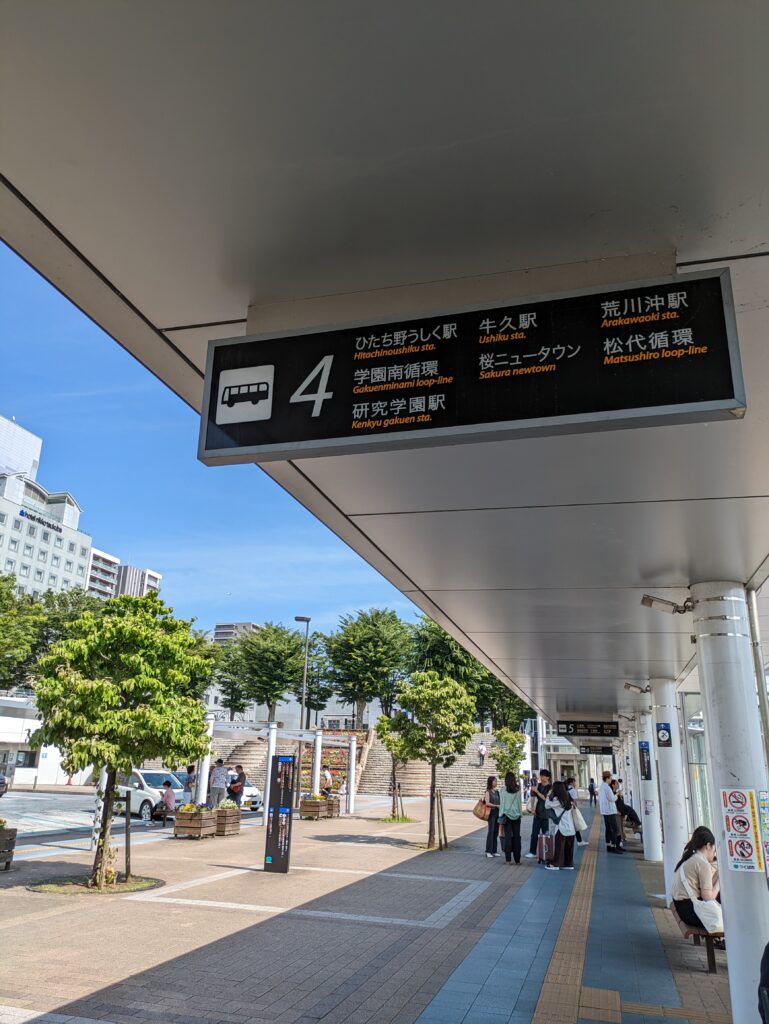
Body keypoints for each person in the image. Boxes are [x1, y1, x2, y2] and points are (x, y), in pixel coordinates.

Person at [672, 826, 723, 939]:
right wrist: (720, 881)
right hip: (690, 911)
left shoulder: (691, 857)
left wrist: (715, 877)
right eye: (714, 850)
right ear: (708, 846)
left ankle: (719, 940)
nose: (714, 854)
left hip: (681, 906)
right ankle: (721, 940)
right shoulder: (702, 863)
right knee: (728, 917)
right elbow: (708, 898)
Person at [544, 780, 576, 870]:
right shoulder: (567, 800)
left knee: (559, 847)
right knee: (568, 847)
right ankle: (568, 864)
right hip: (571, 828)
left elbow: (546, 805)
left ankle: (555, 864)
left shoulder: (557, 801)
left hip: (562, 827)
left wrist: (548, 795)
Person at [524, 769, 552, 860]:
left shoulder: (550, 788)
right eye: (541, 775)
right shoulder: (537, 785)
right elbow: (532, 797)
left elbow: (545, 798)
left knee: (546, 834)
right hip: (537, 813)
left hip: (546, 814)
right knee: (534, 833)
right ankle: (532, 852)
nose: (541, 777)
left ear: (548, 777)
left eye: (543, 776)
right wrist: (532, 808)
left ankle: (546, 853)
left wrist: (537, 791)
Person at [498, 771, 522, 864]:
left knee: (507, 837)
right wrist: (520, 813)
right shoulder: (518, 790)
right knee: (517, 837)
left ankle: (508, 860)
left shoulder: (503, 790)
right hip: (517, 815)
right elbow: (519, 803)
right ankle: (518, 860)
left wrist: (501, 815)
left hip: (506, 816)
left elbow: (502, 804)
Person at [598, 770, 624, 853]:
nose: (611, 779)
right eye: (610, 777)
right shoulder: (607, 787)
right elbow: (612, 799)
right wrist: (617, 794)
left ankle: (608, 846)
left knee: (608, 829)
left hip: (605, 811)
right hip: (609, 811)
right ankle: (613, 846)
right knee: (615, 830)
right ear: (608, 778)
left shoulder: (602, 787)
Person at [566, 777, 588, 847]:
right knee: (575, 825)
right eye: (575, 782)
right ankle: (579, 841)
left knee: (572, 825)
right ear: (571, 782)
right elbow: (575, 801)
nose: (575, 784)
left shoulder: (566, 789)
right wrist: (576, 808)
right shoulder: (572, 790)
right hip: (572, 809)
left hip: (566, 809)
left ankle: (579, 840)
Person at [483, 774, 501, 857]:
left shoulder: (497, 792)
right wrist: (496, 806)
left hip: (497, 814)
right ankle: (488, 851)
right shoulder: (488, 792)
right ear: (490, 782)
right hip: (491, 814)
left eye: (496, 781)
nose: (496, 782)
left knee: (496, 832)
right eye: (494, 781)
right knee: (491, 832)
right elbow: (487, 803)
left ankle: (494, 851)